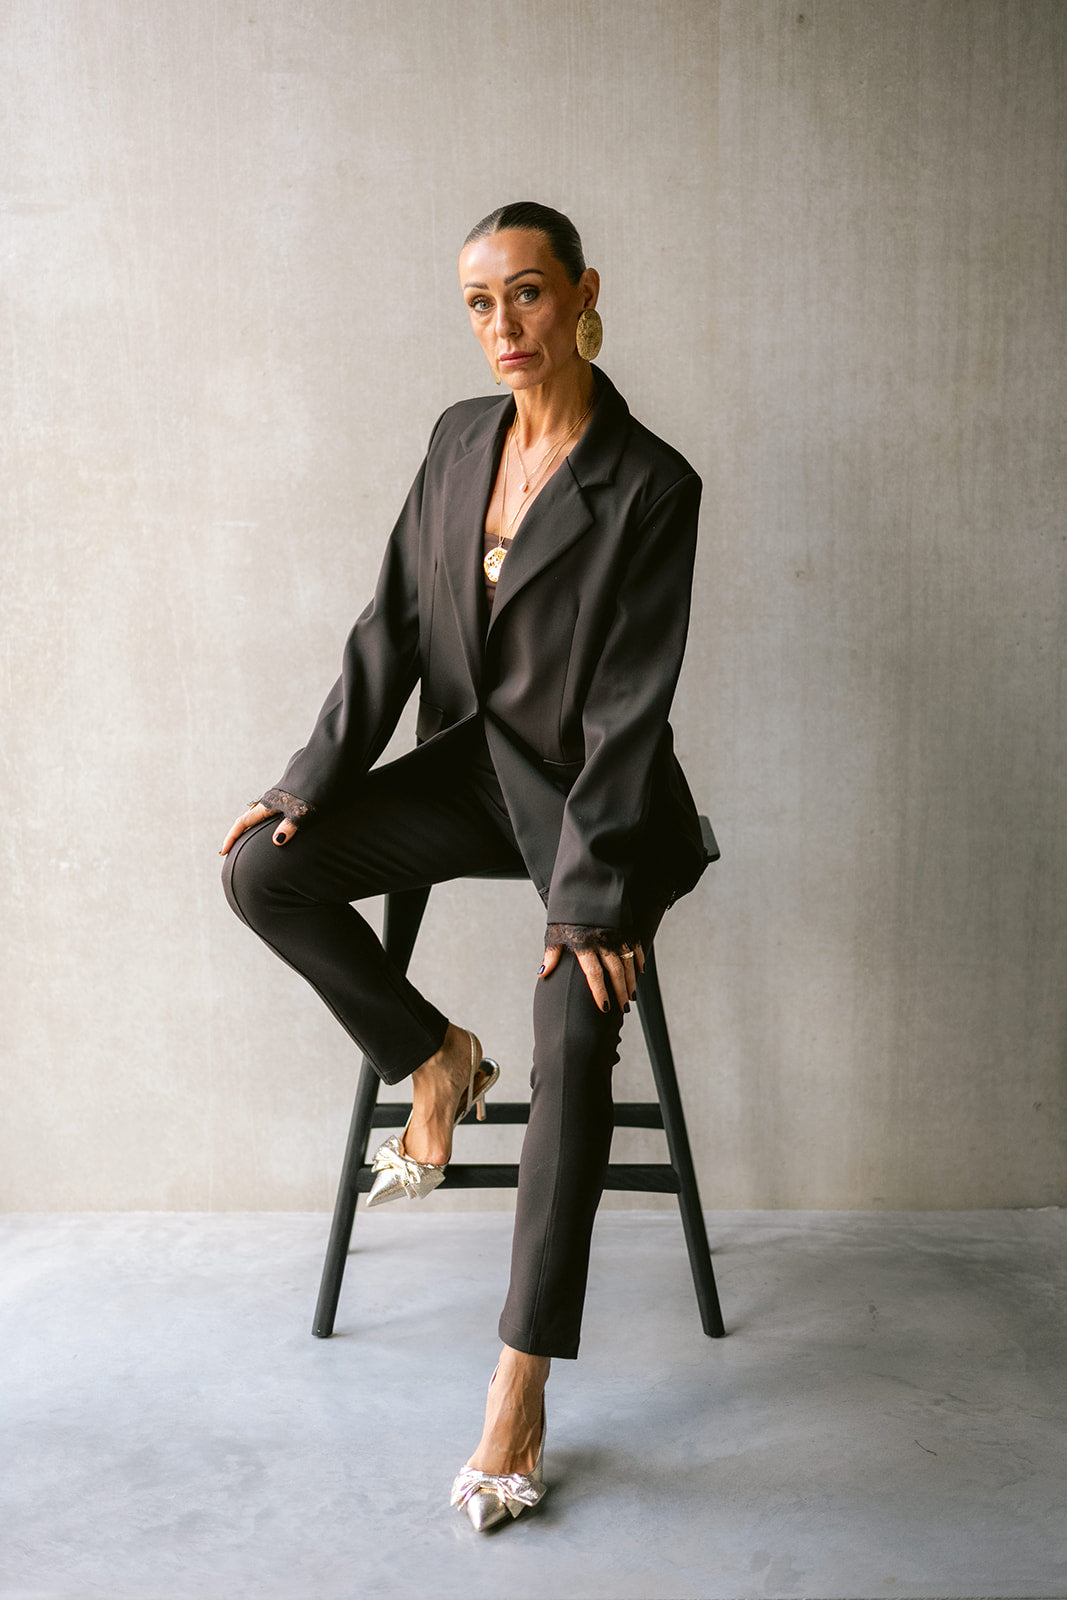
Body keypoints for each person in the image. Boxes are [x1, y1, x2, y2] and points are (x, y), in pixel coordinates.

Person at [219, 201, 710, 1531]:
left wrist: (593, 899)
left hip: (595, 809)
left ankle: (519, 1384)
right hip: (464, 778)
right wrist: (307, 782)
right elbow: (390, 622)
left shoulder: (651, 483)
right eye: (482, 304)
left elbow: (630, 709)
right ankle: (434, 1055)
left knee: (578, 1032)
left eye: (529, 294)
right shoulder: (456, 438)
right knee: (263, 873)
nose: (505, 325)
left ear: (584, 293)